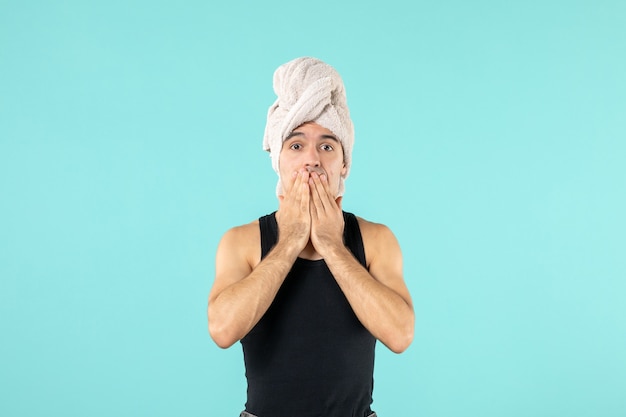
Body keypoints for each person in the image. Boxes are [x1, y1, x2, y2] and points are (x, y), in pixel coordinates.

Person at [208, 57, 414, 417]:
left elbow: (400, 335)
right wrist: (289, 240)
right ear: (278, 159)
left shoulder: (376, 239)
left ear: (344, 164)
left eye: (327, 146)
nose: (312, 160)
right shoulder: (242, 241)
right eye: (296, 145)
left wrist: (333, 245)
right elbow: (223, 330)